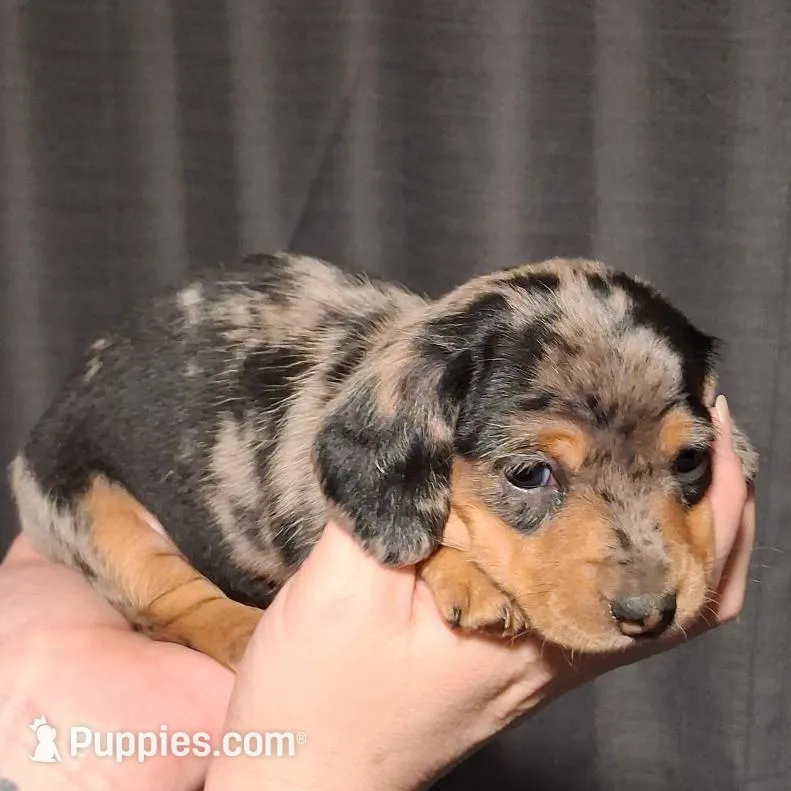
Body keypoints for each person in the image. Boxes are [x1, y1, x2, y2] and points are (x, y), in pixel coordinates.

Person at [0, 396, 755, 791]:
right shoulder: (385, 444)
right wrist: (311, 769)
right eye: (531, 473)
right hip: (104, 488)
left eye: (687, 457)